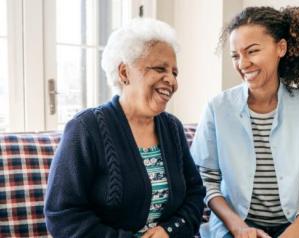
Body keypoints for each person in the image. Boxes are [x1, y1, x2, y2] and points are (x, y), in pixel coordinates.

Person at [44, 18, 205, 238]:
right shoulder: (85, 128)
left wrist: (169, 230)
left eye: (175, 73)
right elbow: (62, 215)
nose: (172, 81)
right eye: (160, 69)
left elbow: (195, 193)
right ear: (124, 73)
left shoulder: (172, 128)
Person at [190, 6, 299, 238]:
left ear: (280, 48)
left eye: (252, 51)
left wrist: (291, 235)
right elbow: (205, 180)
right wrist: (239, 228)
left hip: (297, 227)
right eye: (235, 55)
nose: (242, 63)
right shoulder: (217, 107)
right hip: (238, 227)